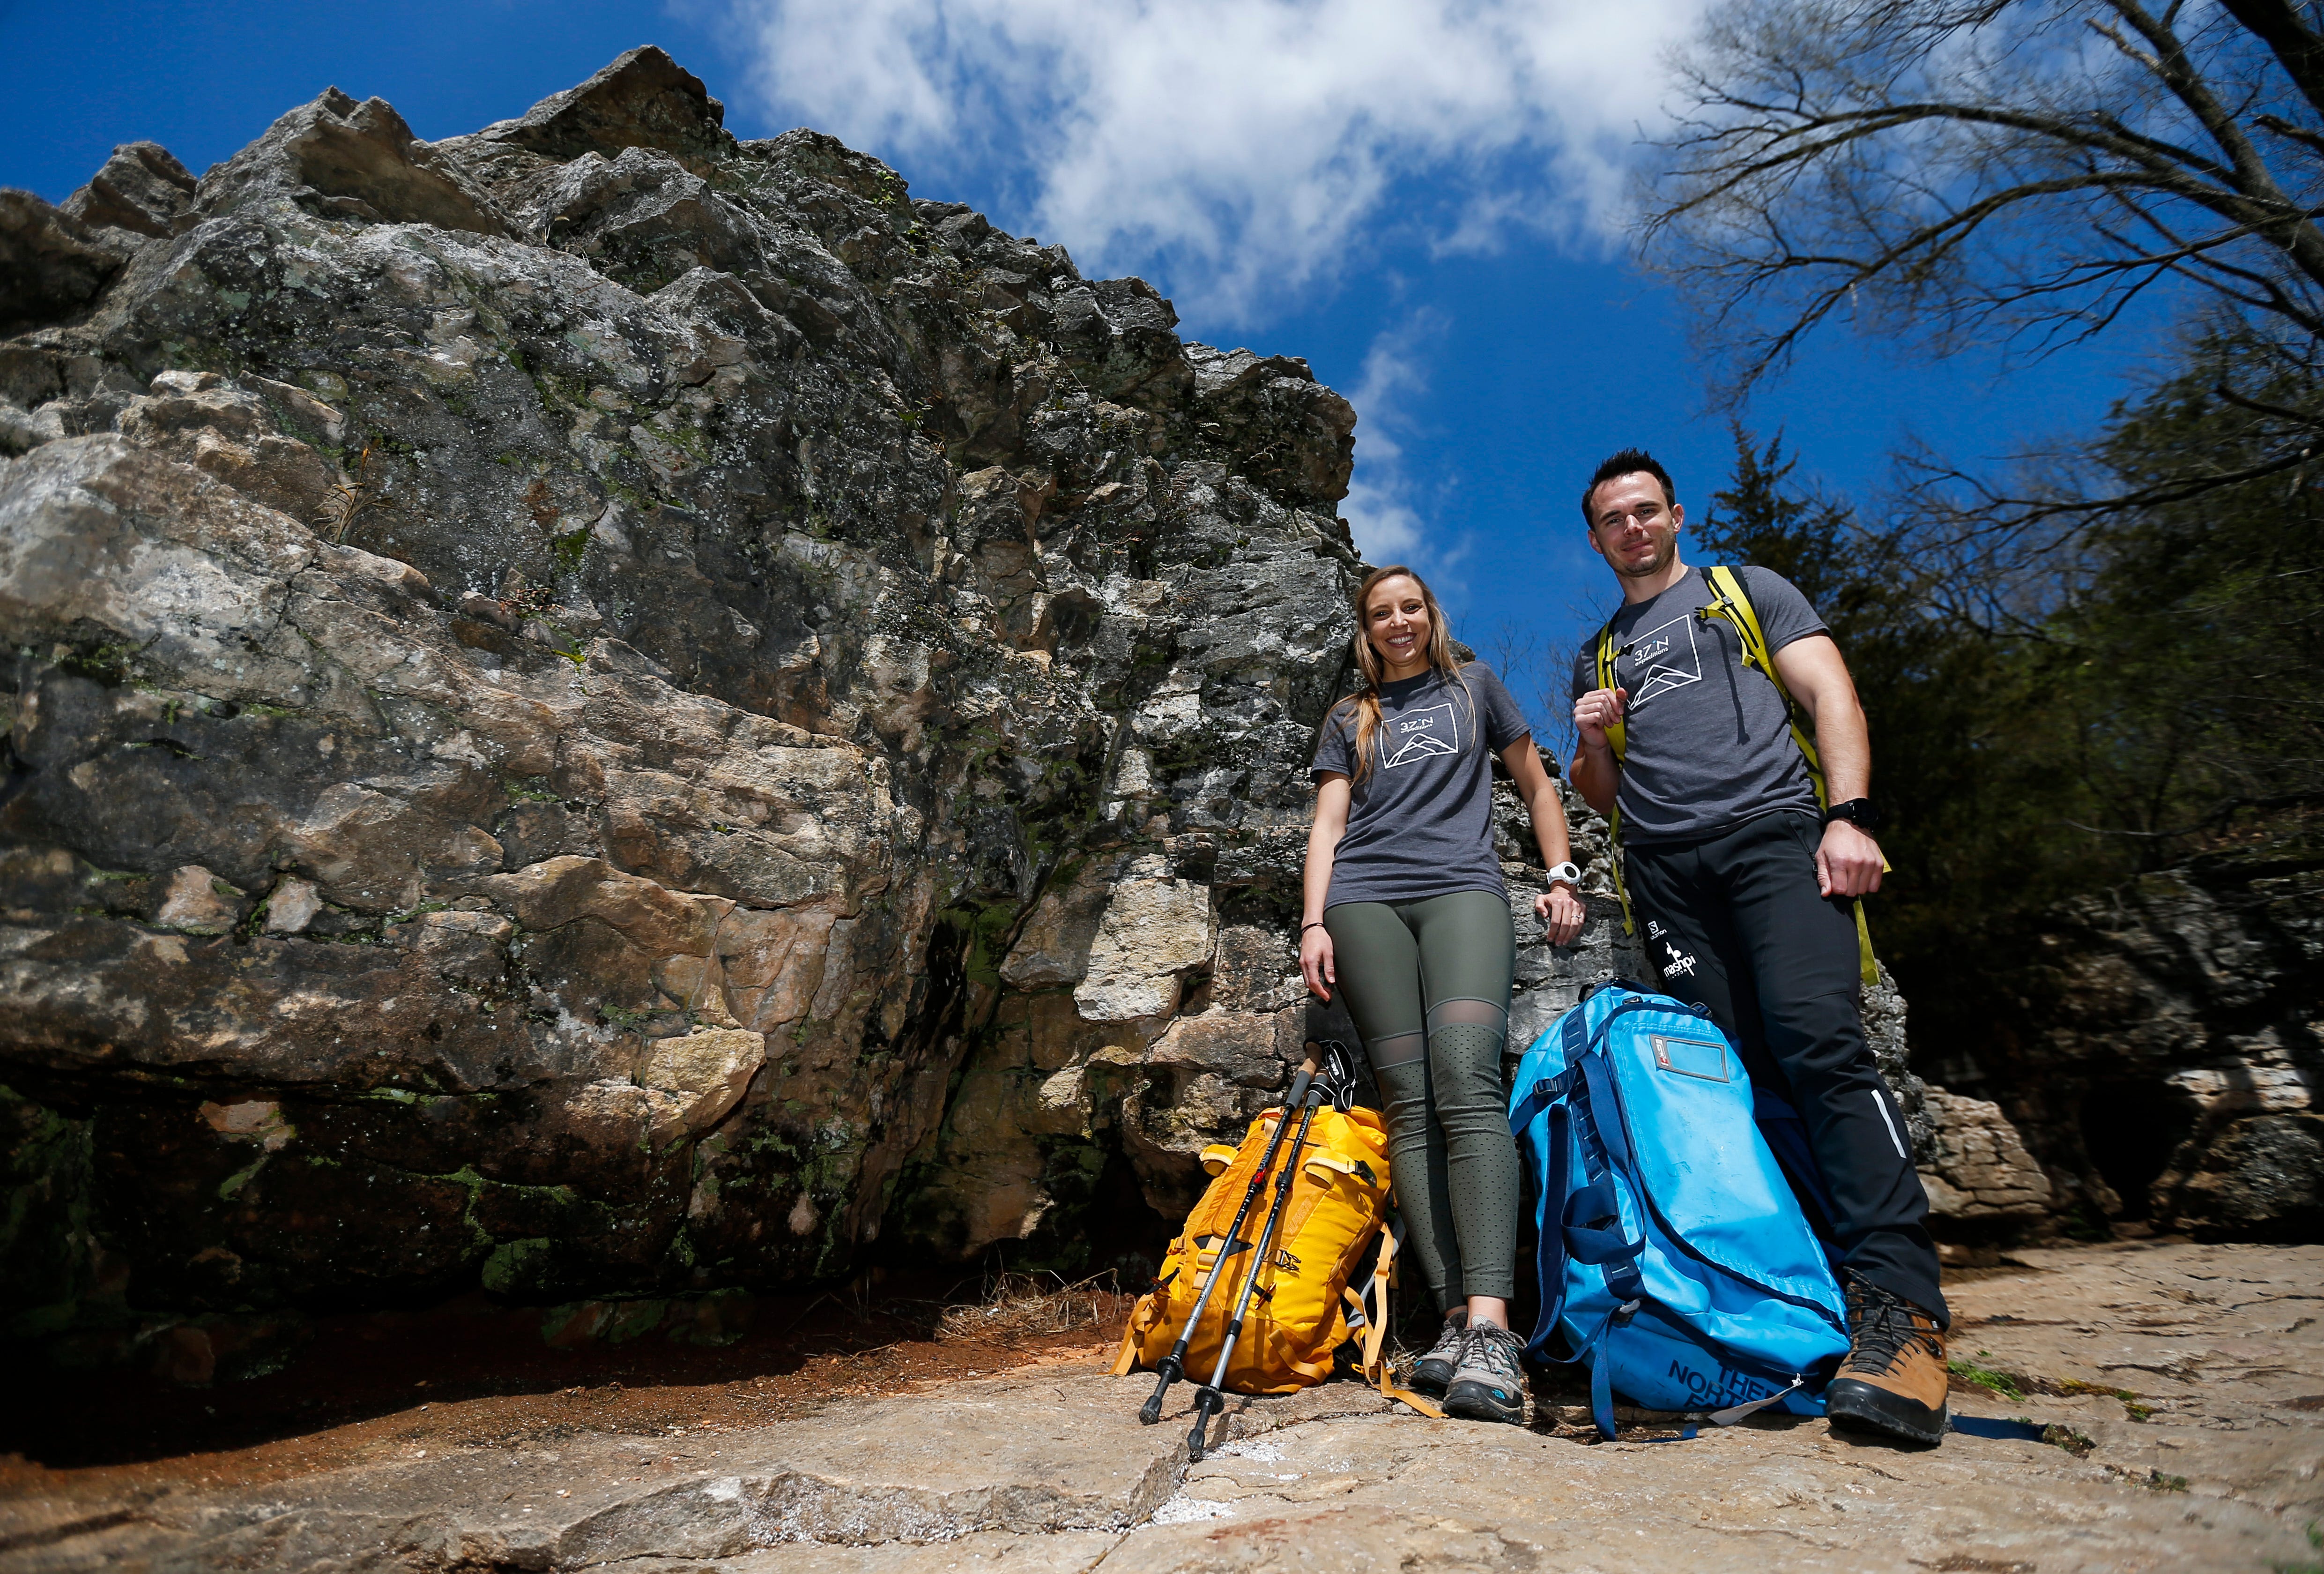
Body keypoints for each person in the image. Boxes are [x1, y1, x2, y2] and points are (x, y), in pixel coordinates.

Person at [1567, 448, 1952, 1446]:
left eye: (1647, 511)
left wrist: (1850, 816)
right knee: (1733, 1079)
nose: (1634, 528)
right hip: (1664, 876)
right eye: (1614, 519)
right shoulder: (1600, 652)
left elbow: (1831, 695)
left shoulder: (1746, 592)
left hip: (1777, 838)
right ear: (1597, 538)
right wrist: (1595, 738)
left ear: (1677, 516)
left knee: (1820, 1045)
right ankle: (1810, 1304)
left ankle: (1905, 1317)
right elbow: (1599, 794)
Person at [1301, 564, 1587, 1425]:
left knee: (1467, 1079)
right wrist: (1314, 922)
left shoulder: (1477, 689)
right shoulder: (1350, 717)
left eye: (1410, 608)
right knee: (1408, 1105)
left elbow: (1536, 784)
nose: (1398, 622)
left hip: (1462, 892)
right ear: (1366, 627)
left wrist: (1561, 874)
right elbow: (1328, 823)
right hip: (1362, 903)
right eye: (1381, 612)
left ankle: (1496, 1328)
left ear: (1431, 615)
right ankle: (1455, 1319)